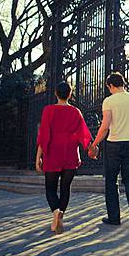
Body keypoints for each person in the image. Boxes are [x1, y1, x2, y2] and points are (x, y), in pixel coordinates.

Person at [88, 71, 129, 226]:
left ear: (111, 86)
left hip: (114, 145)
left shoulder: (109, 101)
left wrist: (94, 144)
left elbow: (105, 126)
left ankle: (114, 217)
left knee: (111, 180)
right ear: (124, 83)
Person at [36, 81, 92, 234]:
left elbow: (44, 135)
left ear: (55, 93)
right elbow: (82, 136)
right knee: (65, 188)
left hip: (53, 153)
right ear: (70, 94)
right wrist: (84, 152)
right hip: (70, 154)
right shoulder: (76, 112)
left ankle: (56, 213)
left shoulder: (48, 110)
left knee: (50, 189)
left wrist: (38, 158)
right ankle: (60, 216)